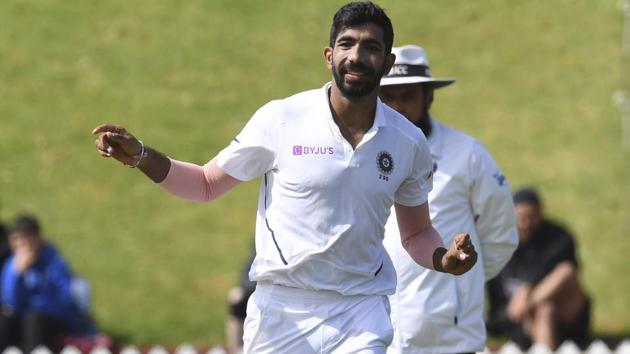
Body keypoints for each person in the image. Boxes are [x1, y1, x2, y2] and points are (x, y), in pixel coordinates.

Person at [92, 2, 478, 353]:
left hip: (361, 310)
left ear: (387, 60)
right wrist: (141, 156)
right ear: (329, 55)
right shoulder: (282, 118)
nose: (356, 56)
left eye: (370, 47)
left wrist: (445, 259)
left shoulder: (408, 142)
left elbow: (415, 233)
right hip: (283, 310)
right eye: (346, 44)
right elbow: (205, 184)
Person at [379, 45, 519, 353]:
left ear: (429, 97)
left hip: (450, 341)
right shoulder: (361, 156)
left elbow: (501, 234)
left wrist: (461, 287)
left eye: (407, 96)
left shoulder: (467, 154)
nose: (397, 107)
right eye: (388, 97)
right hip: (376, 336)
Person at [486, 187, 590, 350]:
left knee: (563, 276)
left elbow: (566, 271)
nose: (525, 224)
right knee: (545, 310)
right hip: (520, 320)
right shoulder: (501, 243)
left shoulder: (559, 238)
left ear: (540, 214)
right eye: (520, 218)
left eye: (530, 217)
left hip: (565, 316)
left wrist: (528, 294)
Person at [0, 214, 97, 353]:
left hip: (50, 320)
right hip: (23, 319)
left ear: (38, 238)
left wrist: (35, 303)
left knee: (33, 319)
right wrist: (17, 275)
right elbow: (11, 302)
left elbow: (62, 299)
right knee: (4, 321)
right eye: (17, 239)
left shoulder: (53, 263)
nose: (22, 244)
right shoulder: (11, 266)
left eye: (26, 238)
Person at [225, 244, 256, 354]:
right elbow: (250, 265)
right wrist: (242, 286)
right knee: (236, 301)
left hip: (268, 288)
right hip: (252, 287)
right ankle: (234, 350)